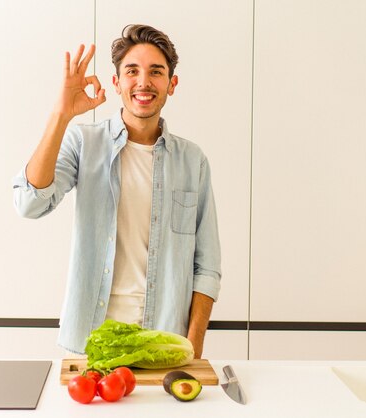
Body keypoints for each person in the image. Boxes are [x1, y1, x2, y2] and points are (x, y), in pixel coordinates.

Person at [12, 24, 221, 358]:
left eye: (156, 71)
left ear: (172, 84)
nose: (143, 82)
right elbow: (28, 203)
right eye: (132, 71)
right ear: (116, 82)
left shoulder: (192, 160)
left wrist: (192, 351)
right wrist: (60, 115)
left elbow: (207, 268)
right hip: (93, 344)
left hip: (161, 347)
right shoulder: (84, 143)